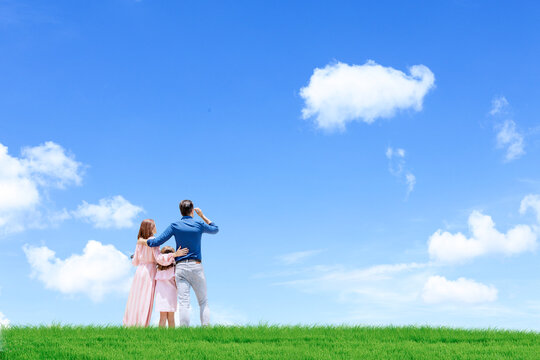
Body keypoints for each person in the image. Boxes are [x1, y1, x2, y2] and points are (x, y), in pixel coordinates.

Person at [145, 200, 219, 326]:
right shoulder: (199, 224)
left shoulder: (175, 225)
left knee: (184, 302)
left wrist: (146, 242)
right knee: (203, 301)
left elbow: (156, 242)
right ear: (192, 210)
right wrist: (202, 216)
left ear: (180, 211)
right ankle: (206, 329)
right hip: (196, 266)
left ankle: (184, 331)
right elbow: (215, 229)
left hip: (180, 267)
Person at [123, 219, 188, 327]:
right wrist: (174, 255)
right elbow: (159, 258)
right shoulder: (153, 240)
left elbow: (135, 262)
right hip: (149, 271)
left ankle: (131, 323)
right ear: (151, 228)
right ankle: (142, 325)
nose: (156, 227)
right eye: (154, 225)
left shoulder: (140, 241)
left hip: (139, 271)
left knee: (136, 299)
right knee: (146, 299)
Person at [155, 246, 177, 328]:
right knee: (171, 318)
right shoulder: (174, 268)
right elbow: (176, 282)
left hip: (160, 295)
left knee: (162, 317)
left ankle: (161, 337)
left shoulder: (157, 269)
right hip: (172, 294)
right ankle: (172, 337)